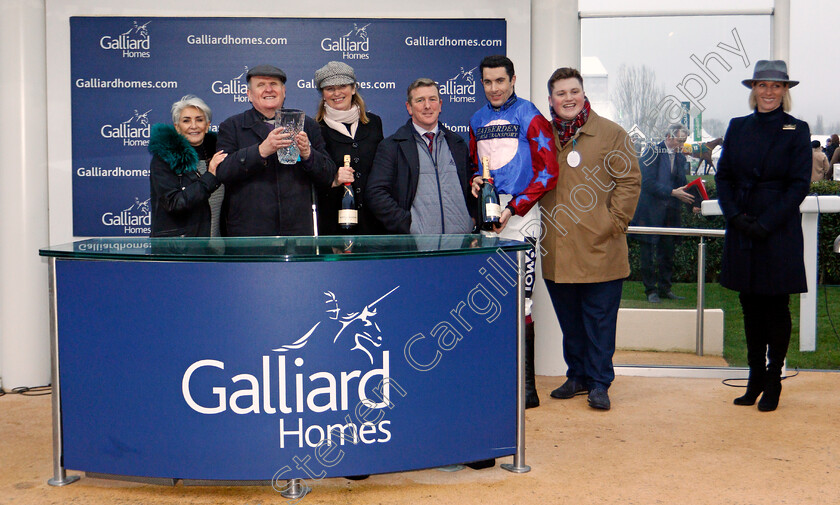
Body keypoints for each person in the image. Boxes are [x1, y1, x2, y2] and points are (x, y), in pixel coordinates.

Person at [540, 67, 641, 411]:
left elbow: (629, 182)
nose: (568, 98)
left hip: (602, 248)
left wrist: (613, 224)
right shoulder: (541, 136)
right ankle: (578, 375)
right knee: (571, 322)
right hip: (558, 248)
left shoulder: (611, 134)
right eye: (560, 93)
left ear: (583, 94)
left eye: (574, 91)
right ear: (550, 99)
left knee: (599, 321)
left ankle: (600, 382)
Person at [715, 60, 810, 412]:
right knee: (749, 304)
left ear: (785, 92)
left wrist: (766, 223)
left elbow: (799, 184)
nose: (768, 92)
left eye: (776, 86)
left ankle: (773, 380)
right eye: (762, 85)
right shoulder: (737, 127)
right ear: (753, 89)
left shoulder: (797, 130)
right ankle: (754, 376)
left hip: (778, 229)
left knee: (775, 306)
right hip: (741, 226)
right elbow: (722, 177)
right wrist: (737, 217)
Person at [468, 55, 559, 408]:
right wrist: (476, 181)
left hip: (522, 217)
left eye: (500, 81)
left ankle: (527, 389)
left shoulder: (530, 114)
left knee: (521, 301)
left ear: (513, 80)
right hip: (490, 217)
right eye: (487, 82)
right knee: (490, 300)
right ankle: (496, 380)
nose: (494, 88)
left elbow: (548, 172)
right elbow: (478, 167)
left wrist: (514, 208)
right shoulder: (476, 119)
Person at [216, 64, 336, 236]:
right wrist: (260, 151)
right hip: (249, 233)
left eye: (274, 84)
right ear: (249, 94)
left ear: (284, 91)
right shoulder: (232, 126)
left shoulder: (307, 125)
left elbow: (328, 175)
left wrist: (308, 154)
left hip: (298, 232)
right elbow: (223, 172)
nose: (268, 89)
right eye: (261, 85)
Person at [366, 78, 473, 235]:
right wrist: (408, 225)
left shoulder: (457, 144)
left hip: (459, 245)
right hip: (417, 248)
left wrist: (471, 220)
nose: (427, 106)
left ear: (440, 105)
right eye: (420, 100)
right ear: (409, 107)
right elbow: (375, 193)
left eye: (432, 99)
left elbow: (471, 187)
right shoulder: (392, 146)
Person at [313, 61, 385, 235]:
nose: (337, 93)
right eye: (330, 88)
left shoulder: (374, 123)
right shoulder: (315, 129)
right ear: (323, 93)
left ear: (353, 89)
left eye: (343, 86)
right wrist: (334, 179)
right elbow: (311, 179)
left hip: (375, 223)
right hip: (333, 225)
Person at [149, 94, 227, 237]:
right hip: (182, 251)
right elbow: (174, 203)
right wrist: (209, 177)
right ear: (177, 127)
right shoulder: (165, 159)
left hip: (218, 250)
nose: (193, 126)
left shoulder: (219, 154)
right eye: (186, 121)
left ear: (207, 125)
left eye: (199, 120)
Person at [632, 123, 694, 303]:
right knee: (648, 254)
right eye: (680, 140)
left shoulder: (681, 158)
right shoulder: (652, 152)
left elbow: (682, 184)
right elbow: (647, 183)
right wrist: (672, 192)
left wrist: (693, 203)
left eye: (684, 141)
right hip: (649, 213)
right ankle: (650, 290)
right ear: (669, 137)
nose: (682, 144)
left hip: (671, 215)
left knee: (667, 253)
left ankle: (665, 288)